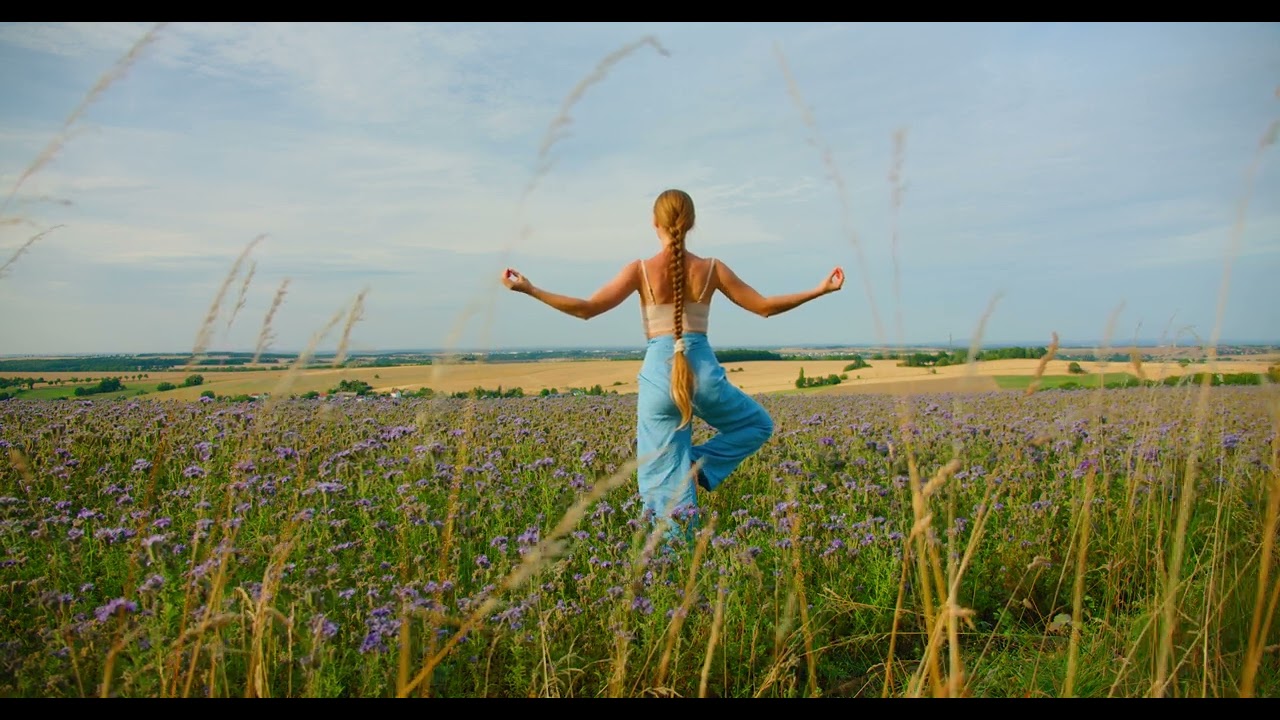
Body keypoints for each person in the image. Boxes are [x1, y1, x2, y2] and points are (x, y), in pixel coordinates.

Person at [502, 188, 844, 537]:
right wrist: (820, 290)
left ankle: (671, 566)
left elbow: (587, 309)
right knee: (757, 425)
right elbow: (764, 306)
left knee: (661, 481)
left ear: (655, 223)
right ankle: (697, 465)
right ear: (692, 223)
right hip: (704, 374)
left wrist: (531, 289)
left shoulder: (640, 270)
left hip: (658, 377)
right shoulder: (712, 268)